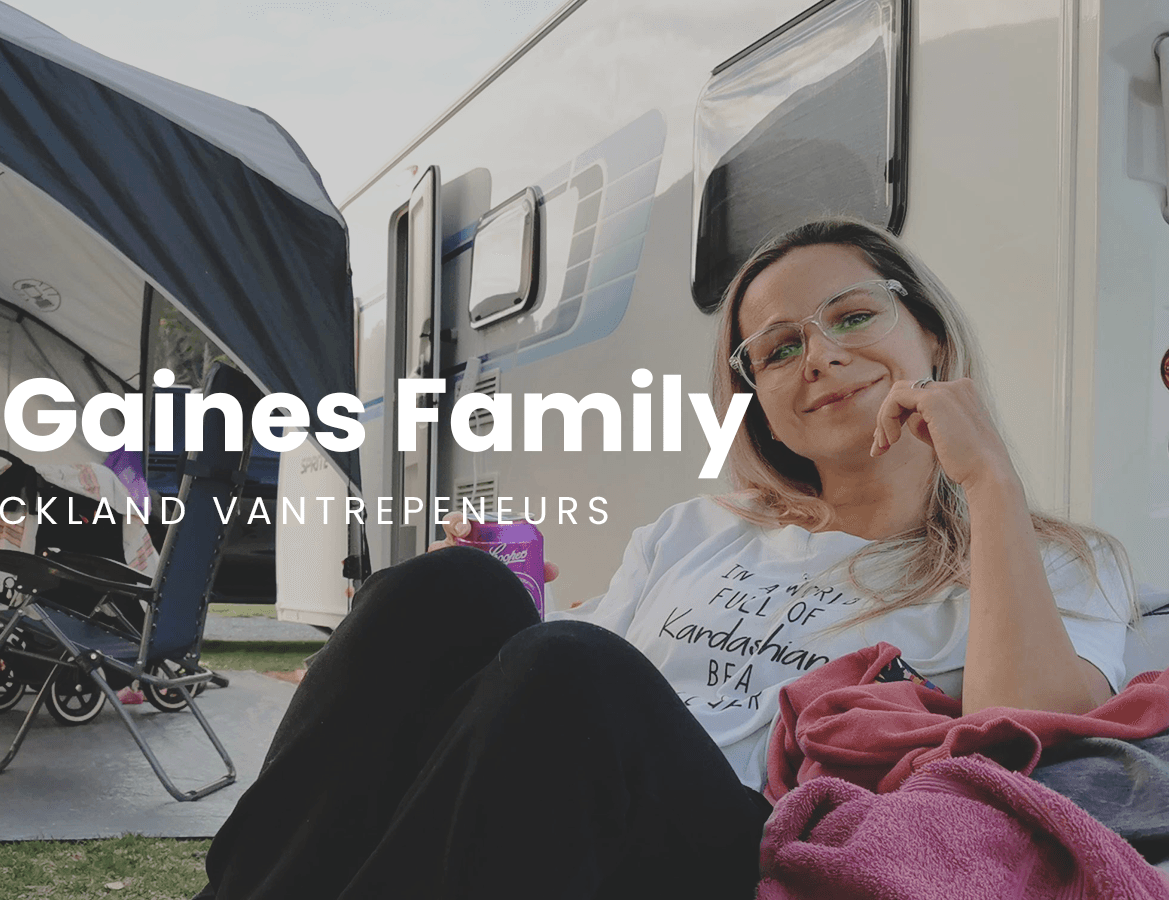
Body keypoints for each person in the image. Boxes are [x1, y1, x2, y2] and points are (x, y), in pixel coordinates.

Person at [192, 217, 1136, 900]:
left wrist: (989, 483)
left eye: (852, 317)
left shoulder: (1049, 558)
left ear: (928, 332)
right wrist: (487, 619)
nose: (818, 356)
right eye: (778, 350)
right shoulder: (695, 529)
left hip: (749, 852)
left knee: (572, 664)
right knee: (446, 588)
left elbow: (1030, 741)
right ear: (759, 405)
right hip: (579, 814)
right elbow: (565, 687)